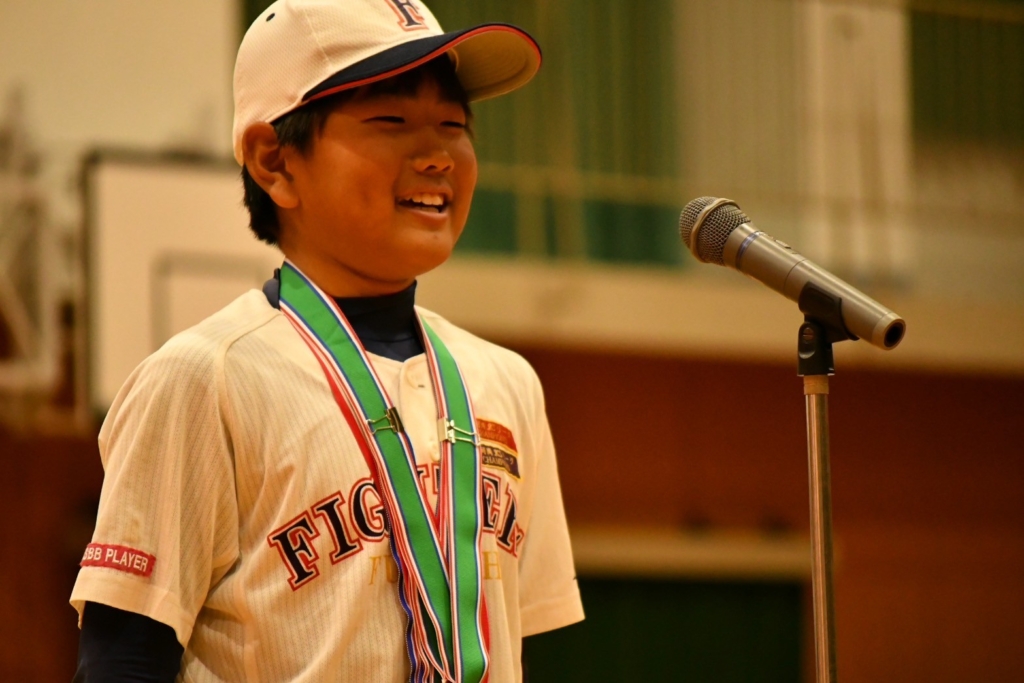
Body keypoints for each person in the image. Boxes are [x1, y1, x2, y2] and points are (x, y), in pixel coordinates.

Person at [69, 1, 584, 681]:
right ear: (275, 161)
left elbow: (523, 640)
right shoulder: (204, 377)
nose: (438, 155)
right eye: (391, 122)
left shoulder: (507, 381)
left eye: (454, 125)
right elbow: (123, 661)